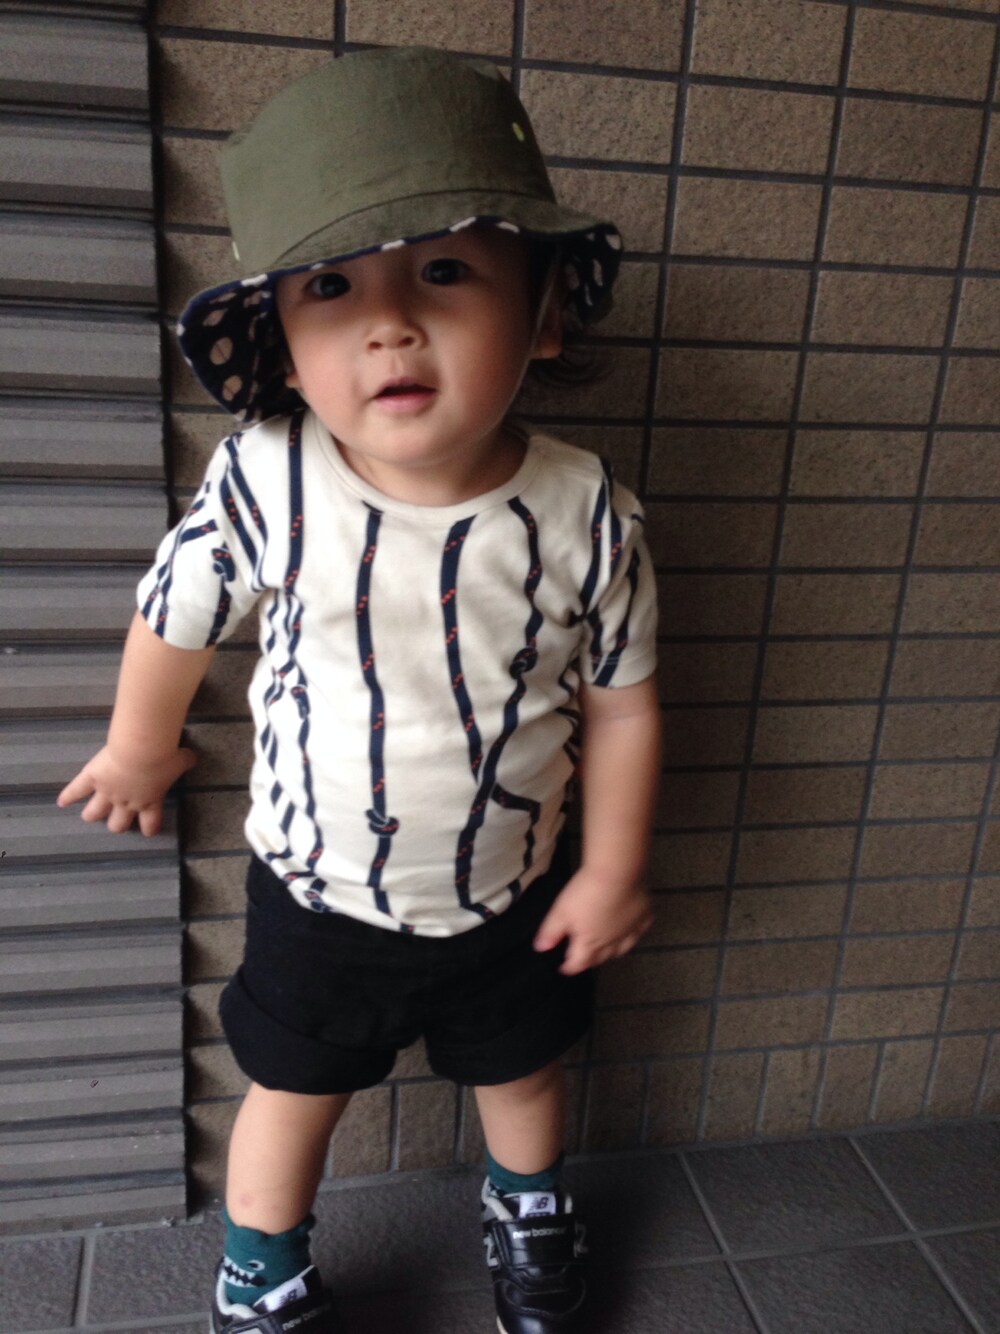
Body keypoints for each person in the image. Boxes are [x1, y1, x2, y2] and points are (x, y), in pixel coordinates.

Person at [58, 46, 660, 1334]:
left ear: (546, 316)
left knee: (526, 1070)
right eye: (332, 287)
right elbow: (176, 615)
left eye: (445, 273)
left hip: (519, 884)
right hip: (319, 893)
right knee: (292, 1089)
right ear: (285, 344)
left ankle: (529, 1207)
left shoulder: (586, 511)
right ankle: (260, 1265)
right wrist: (138, 745)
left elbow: (622, 703)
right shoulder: (269, 478)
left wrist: (611, 869)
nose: (390, 324)